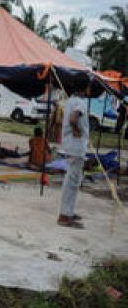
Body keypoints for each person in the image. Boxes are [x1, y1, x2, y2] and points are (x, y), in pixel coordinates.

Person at [58, 79, 90, 229]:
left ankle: (68, 211)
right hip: (76, 146)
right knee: (72, 181)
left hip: (71, 146)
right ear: (86, 88)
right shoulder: (80, 103)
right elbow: (73, 118)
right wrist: (77, 130)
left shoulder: (71, 100)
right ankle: (64, 215)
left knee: (73, 180)